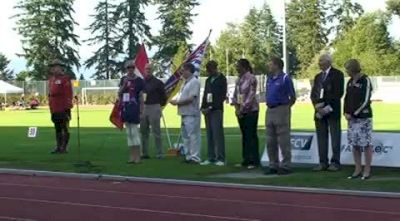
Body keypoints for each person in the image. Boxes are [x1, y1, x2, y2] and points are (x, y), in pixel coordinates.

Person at [310, 54, 344, 171]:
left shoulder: (337, 74)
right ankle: (322, 162)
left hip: (332, 110)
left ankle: (335, 162)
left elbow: (338, 93)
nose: (319, 63)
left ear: (329, 61)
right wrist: (316, 106)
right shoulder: (318, 77)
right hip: (319, 112)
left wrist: (325, 106)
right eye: (319, 61)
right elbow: (314, 93)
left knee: (335, 137)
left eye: (321, 61)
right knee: (321, 138)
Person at [264, 57, 296, 175]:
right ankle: (273, 164)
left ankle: (286, 165)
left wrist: (286, 108)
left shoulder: (285, 78)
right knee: (270, 140)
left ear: (277, 65)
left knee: (283, 139)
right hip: (270, 109)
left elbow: (292, 96)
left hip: (281, 108)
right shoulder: (269, 78)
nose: (268, 66)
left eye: (270, 64)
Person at [344, 59, 373, 180]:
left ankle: (367, 169)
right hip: (351, 118)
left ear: (353, 68)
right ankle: (357, 168)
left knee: (366, 143)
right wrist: (345, 112)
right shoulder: (350, 81)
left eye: (348, 69)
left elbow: (366, 99)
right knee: (354, 143)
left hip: (363, 117)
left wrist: (355, 113)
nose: (347, 72)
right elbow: (346, 98)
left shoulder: (365, 80)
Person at [170, 63, 201, 164]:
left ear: (188, 70)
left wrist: (177, 102)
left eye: (183, 70)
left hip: (191, 112)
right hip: (184, 112)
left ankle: (195, 157)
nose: (181, 72)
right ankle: (188, 156)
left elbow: (191, 98)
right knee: (185, 136)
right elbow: (181, 96)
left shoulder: (194, 82)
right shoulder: (185, 83)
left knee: (193, 135)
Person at [231, 59, 259, 169]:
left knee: (251, 135)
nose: (236, 68)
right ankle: (246, 159)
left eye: (238, 66)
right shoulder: (238, 79)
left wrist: (242, 108)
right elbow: (236, 95)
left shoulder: (251, 78)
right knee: (244, 136)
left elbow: (251, 96)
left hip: (251, 111)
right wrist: (236, 107)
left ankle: (254, 160)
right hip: (241, 111)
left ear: (244, 67)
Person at [200, 61, 227, 166]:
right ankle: (211, 157)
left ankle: (221, 158)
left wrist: (211, 107)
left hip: (216, 110)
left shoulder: (222, 79)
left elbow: (222, 96)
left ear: (215, 68)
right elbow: (205, 94)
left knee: (217, 134)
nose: (208, 72)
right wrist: (203, 107)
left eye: (210, 70)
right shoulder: (208, 80)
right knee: (209, 134)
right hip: (207, 110)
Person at [119, 60, 145, 164]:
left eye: (132, 67)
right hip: (126, 108)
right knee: (128, 133)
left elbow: (141, 96)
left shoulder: (139, 80)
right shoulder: (123, 79)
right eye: (128, 68)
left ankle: (138, 156)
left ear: (134, 68)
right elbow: (119, 93)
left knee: (135, 132)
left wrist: (142, 111)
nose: (130, 70)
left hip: (135, 108)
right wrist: (124, 85)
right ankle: (132, 156)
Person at [140, 63, 167, 159]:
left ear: (152, 70)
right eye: (146, 69)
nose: (148, 70)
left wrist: (159, 106)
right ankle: (144, 153)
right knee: (143, 132)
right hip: (144, 107)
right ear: (144, 70)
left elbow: (164, 96)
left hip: (154, 107)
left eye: (150, 69)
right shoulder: (141, 82)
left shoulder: (158, 83)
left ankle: (160, 153)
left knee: (156, 132)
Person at [48, 59, 73, 154]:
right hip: (54, 107)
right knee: (57, 128)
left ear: (60, 68)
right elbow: (50, 94)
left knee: (64, 127)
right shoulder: (51, 80)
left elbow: (68, 94)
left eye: (55, 67)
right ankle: (58, 146)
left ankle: (64, 147)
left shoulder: (65, 79)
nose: (53, 69)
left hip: (63, 107)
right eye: (52, 67)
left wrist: (68, 107)